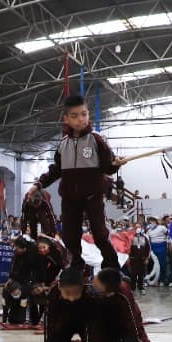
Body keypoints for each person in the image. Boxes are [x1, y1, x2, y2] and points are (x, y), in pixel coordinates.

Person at [31, 95, 124, 270]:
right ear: (66, 118)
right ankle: (77, 266)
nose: (80, 119)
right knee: (69, 237)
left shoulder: (96, 140)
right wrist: (38, 184)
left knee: (100, 234)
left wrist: (115, 163)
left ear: (88, 114)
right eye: (74, 116)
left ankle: (111, 266)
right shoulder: (62, 144)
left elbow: (107, 166)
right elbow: (56, 170)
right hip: (69, 198)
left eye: (84, 114)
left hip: (92, 196)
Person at [128, 225, 151, 294]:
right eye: (136, 227)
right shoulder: (130, 237)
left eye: (139, 227)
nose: (138, 229)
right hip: (133, 258)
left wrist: (147, 258)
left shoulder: (145, 237)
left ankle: (141, 287)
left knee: (141, 274)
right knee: (133, 274)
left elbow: (148, 248)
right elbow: (127, 248)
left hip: (142, 259)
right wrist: (128, 257)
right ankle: (132, 288)